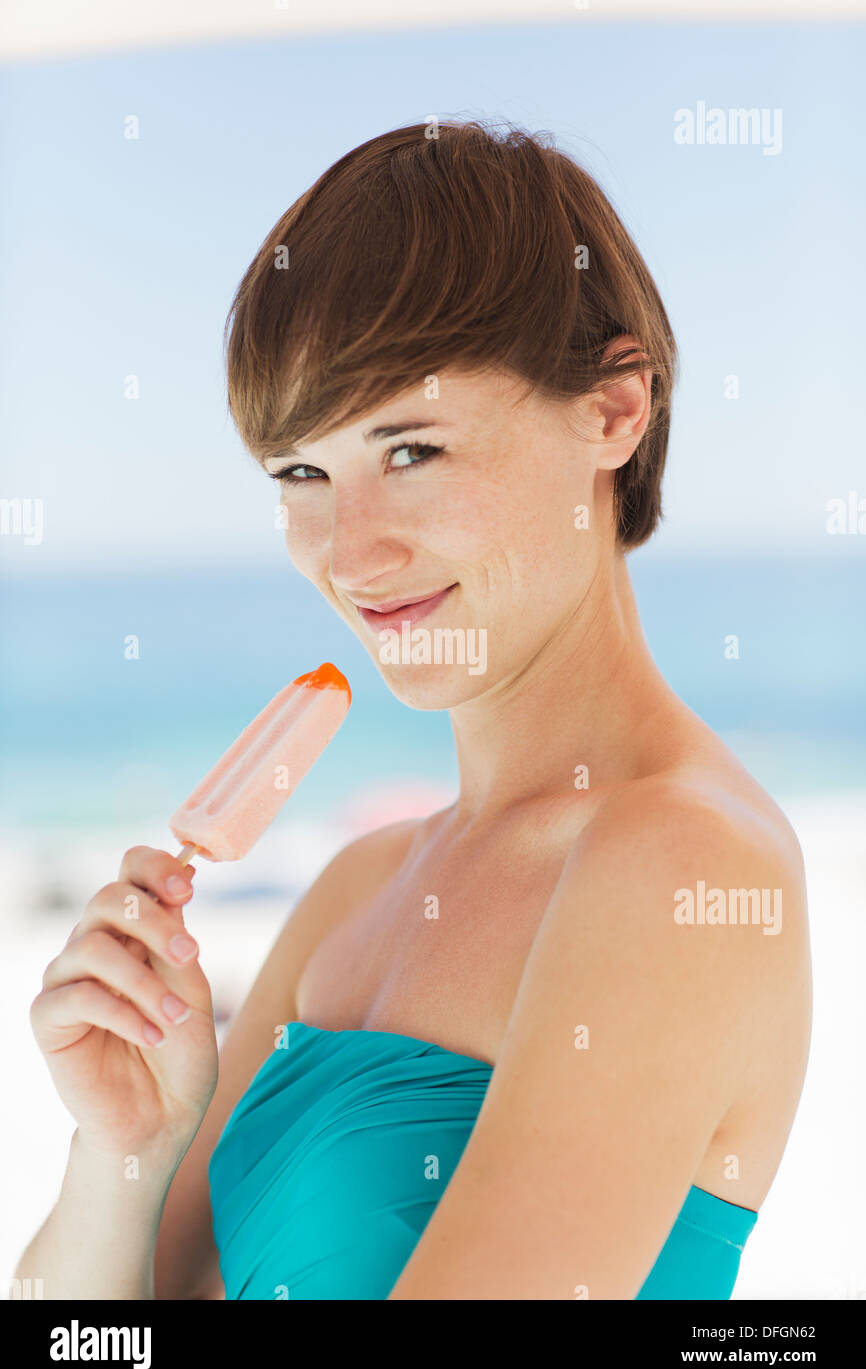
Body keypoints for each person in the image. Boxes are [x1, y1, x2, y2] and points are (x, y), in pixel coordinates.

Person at [17, 120, 811, 1300]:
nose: (349, 553)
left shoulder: (675, 865)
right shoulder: (355, 887)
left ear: (611, 409)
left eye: (411, 448)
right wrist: (123, 1156)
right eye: (301, 472)